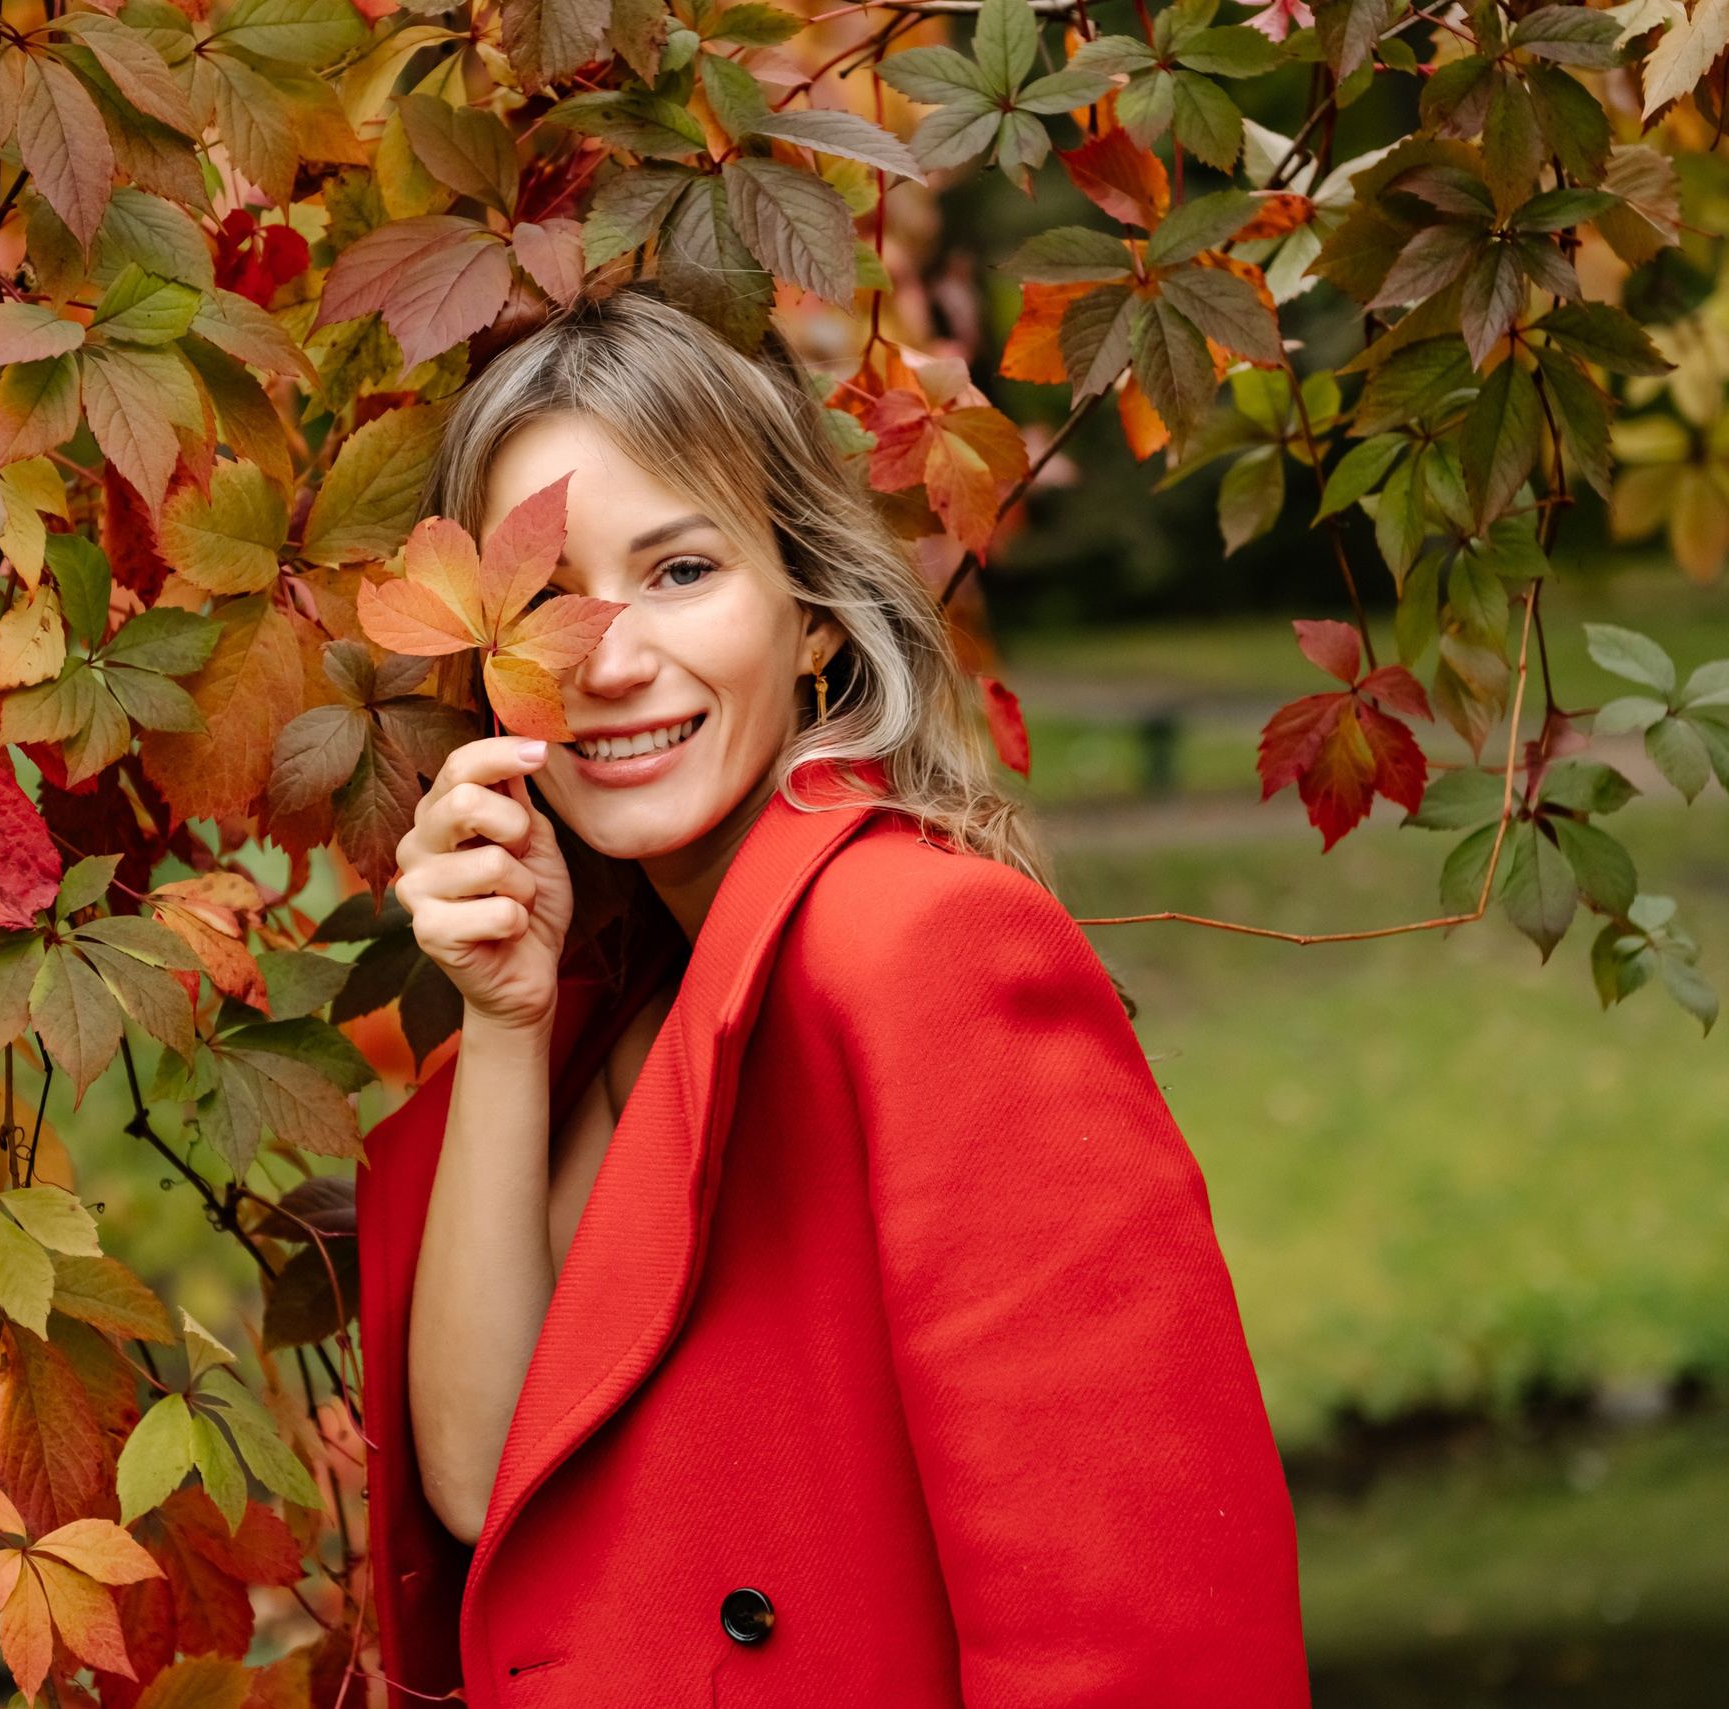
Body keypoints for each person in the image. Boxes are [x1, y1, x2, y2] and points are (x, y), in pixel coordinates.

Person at [356, 289, 1307, 1707]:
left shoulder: (926, 944)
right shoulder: (612, 1006)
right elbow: (489, 1486)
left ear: (810, 616)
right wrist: (504, 1023)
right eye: (549, 600)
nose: (608, 660)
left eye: (680, 572)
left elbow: (1143, 1630)